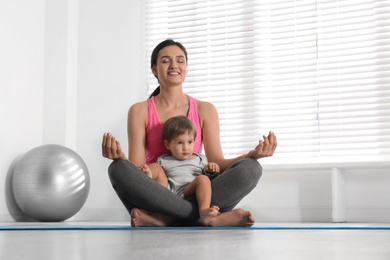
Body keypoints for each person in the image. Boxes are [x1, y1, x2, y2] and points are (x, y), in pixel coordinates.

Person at [102, 39, 277, 227]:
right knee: (117, 169)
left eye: (180, 60)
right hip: (158, 194)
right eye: (165, 60)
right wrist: (121, 158)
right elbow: (138, 169)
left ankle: (166, 219)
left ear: (186, 67)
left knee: (251, 168)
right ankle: (203, 217)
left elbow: (217, 162)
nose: (174, 65)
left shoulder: (205, 109)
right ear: (154, 69)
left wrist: (252, 155)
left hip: (200, 193)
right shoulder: (139, 111)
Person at [139, 116, 224, 226]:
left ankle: (203, 212)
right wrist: (151, 172)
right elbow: (161, 178)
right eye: (180, 143)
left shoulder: (200, 159)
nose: (186, 148)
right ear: (167, 144)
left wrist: (211, 169)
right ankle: (146, 177)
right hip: (169, 192)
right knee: (155, 166)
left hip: (189, 191)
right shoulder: (164, 159)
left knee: (203, 179)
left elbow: (209, 179)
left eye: (190, 142)